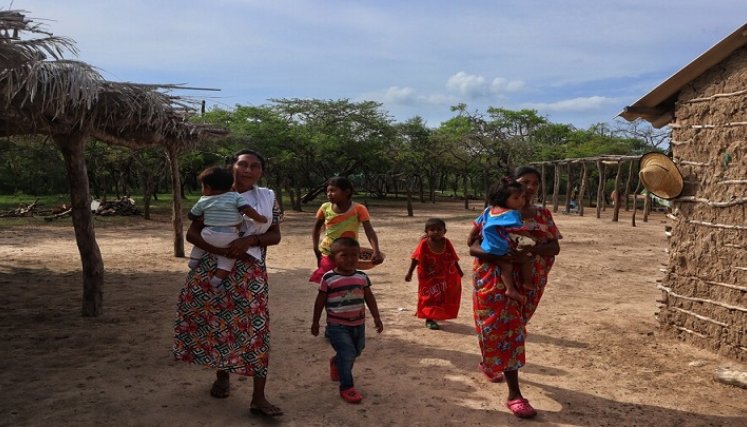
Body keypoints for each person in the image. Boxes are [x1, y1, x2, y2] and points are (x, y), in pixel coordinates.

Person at [173, 149, 284, 418]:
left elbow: (275, 235)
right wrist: (224, 251)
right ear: (231, 167)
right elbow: (192, 233)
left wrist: (250, 240)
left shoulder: (267, 198)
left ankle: (259, 397)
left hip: (250, 270)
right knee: (217, 323)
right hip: (212, 268)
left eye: (255, 166)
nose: (248, 170)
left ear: (261, 172)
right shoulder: (212, 196)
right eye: (242, 164)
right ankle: (222, 377)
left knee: (257, 329)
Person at [468, 166, 561, 419]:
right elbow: (472, 245)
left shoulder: (542, 215)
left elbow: (554, 247)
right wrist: (498, 255)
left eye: (535, 183)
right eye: (524, 182)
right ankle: (515, 395)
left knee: (510, 328)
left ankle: (490, 360)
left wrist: (528, 253)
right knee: (507, 330)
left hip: (530, 281)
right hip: (494, 279)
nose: (529, 188)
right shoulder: (493, 213)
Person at [311, 237, 384, 404]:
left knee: (357, 350)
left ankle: (336, 362)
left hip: (358, 323)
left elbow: (369, 298)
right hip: (337, 325)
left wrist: (377, 317)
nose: (350, 259)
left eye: (354, 255)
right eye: (344, 255)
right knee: (347, 353)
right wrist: (315, 322)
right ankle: (347, 386)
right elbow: (320, 301)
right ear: (332, 258)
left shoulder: (362, 277)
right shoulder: (329, 278)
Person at [187, 166, 268, 288]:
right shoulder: (235, 197)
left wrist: (198, 217)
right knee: (229, 259)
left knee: (199, 241)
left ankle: (194, 260)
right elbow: (247, 210)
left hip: (209, 234)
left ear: (208, 187)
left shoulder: (203, 200)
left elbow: (192, 215)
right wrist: (260, 218)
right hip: (229, 238)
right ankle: (218, 279)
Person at [467, 177, 533, 305]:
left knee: (505, 266)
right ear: (503, 198)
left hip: (487, 247)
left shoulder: (488, 210)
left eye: (523, 197)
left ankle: (511, 288)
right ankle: (522, 284)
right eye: (516, 198)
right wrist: (530, 238)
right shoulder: (512, 214)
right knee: (523, 260)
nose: (521, 201)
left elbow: (476, 225)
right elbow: (519, 230)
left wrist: (470, 239)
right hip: (502, 248)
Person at [310, 176, 383, 284]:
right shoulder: (325, 208)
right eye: (327, 191)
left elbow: (369, 231)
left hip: (349, 254)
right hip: (328, 252)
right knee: (328, 283)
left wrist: (376, 250)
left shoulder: (359, 209)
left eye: (333, 190)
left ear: (347, 192)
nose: (329, 194)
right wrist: (315, 248)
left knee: (346, 283)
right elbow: (316, 229)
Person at [404, 218, 463, 330]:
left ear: (444, 231)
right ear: (426, 232)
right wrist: (409, 273)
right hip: (427, 276)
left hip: (444, 275)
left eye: (439, 229)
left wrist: (459, 271)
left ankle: (434, 313)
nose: (436, 232)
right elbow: (415, 258)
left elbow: (453, 257)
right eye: (432, 229)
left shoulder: (447, 242)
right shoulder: (424, 244)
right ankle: (429, 318)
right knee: (429, 295)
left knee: (442, 295)